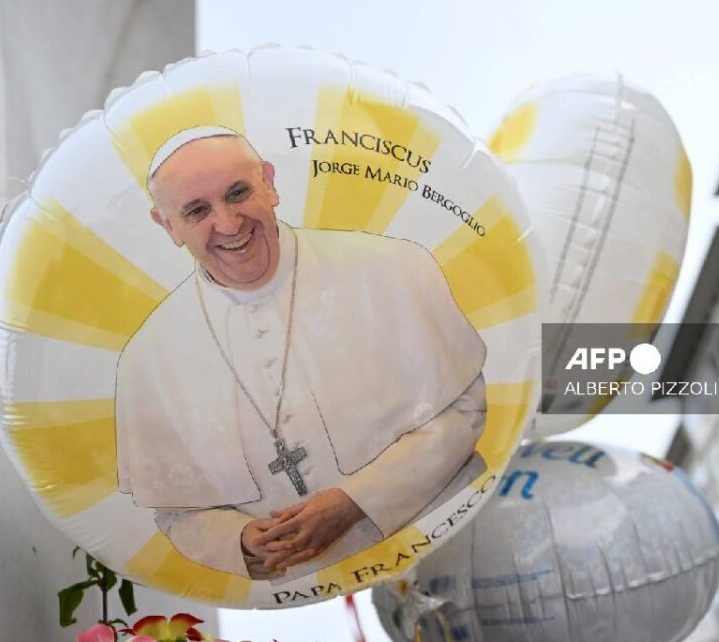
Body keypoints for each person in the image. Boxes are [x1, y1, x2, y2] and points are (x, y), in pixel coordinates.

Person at [115, 126, 487, 582]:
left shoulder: (391, 268)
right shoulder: (147, 360)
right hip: (307, 596)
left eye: (238, 193)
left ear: (269, 183)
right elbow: (178, 512)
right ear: (167, 225)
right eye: (197, 211)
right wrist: (242, 539)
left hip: (454, 542)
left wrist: (356, 501)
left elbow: (463, 409)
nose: (229, 224)